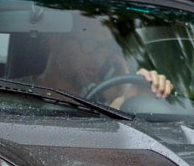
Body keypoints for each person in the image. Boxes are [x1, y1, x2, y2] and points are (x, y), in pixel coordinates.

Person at [26, 15, 173, 107]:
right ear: (55, 41)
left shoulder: (100, 103)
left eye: (105, 47)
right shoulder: (11, 94)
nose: (99, 58)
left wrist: (130, 97)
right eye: (89, 44)